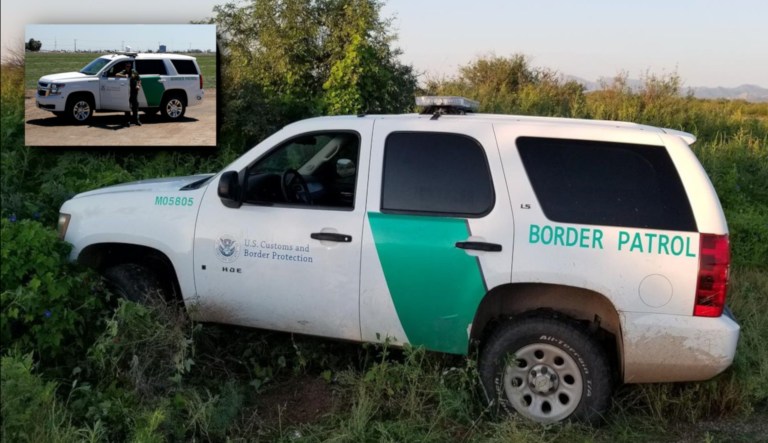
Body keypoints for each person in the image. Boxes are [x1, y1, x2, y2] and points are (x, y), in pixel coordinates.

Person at [116, 61, 142, 126]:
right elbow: (116, 74)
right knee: (127, 106)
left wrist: (138, 85)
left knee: (135, 106)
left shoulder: (134, 71)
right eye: (127, 66)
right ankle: (128, 121)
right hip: (127, 92)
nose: (129, 67)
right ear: (125, 67)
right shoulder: (124, 71)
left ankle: (136, 120)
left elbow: (139, 79)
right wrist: (124, 75)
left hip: (134, 91)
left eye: (130, 66)